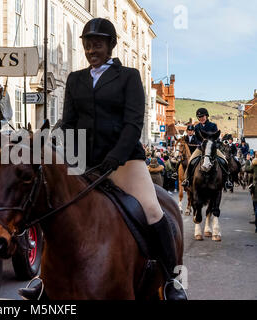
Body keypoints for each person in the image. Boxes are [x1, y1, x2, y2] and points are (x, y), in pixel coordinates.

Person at [19, 18, 187, 300]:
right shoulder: (75, 79)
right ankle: (45, 279)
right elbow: (70, 123)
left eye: (97, 43)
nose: (91, 49)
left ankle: (172, 280)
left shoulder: (130, 76)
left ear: (111, 45)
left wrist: (115, 157)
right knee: (59, 210)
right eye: (87, 44)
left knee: (152, 209)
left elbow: (133, 123)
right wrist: (51, 142)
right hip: (84, 162)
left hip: (124, 162)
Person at [181, 108, 232, 189]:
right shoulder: (197, 127)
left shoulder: (213, 125)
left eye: (202, 116)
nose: (200, 118)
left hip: (211, 148)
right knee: (191, 160)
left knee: (224, 160)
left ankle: (227, 180)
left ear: (207, 116)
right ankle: (187, 180)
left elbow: (215, 137)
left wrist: (210, 145)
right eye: (199, 117)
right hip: (201, 148)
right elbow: (197, 138)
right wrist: (201, 144)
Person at [245, 155, 257, 231]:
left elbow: (247, 169)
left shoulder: (255, 164)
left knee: (256, 207)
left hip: (256, 187)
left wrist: (247, 160)